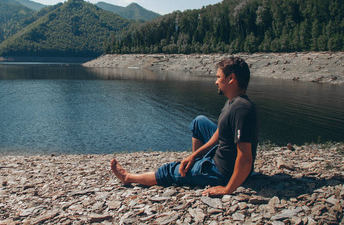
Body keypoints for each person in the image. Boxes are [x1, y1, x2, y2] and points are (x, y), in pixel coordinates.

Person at [110, 57, 259, 196]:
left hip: (223, 172)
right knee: (199, 122)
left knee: (169, 171)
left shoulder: (241, 109)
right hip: (225, 154)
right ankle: (195, 164)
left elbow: (245, 158)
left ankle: (128, 177)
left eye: (219, 77)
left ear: (231, 78)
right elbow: (219, 134)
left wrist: (228, 189)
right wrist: (193, 156)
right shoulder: (233, 101)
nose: (216, 82)